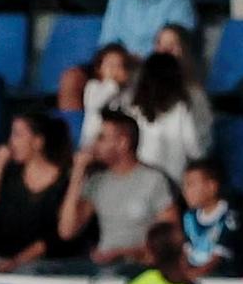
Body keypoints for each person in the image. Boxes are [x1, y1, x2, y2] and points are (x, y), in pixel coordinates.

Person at [57, 109, 178, 273]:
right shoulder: (97, 181)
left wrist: (125, 253)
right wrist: (78, 173)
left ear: (123, 143)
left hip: (142, 267)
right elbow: (67, 231)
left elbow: (170, 235)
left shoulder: (154, 180)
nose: (94, 144)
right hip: (103, 266)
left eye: (102, 138)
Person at [0, 112, 78, 273]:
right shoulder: (8, 174)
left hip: (45, 265)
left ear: (38, 142)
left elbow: (54, 237)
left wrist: (16, 262)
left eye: (17, 135)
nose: (11, 142)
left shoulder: (64, 181)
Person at [123, 51, 204, 184]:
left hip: (140, 182)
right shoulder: (183, 107)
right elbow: (195, 149)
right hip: (172, 182)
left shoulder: (133, 108)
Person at [179, 158, 239, 278]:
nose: (185, 191)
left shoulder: (229, 218)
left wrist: (194, 275)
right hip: (194, 277)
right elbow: (185, 252)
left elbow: (218, 259)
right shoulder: (189, 218)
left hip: (221, 280)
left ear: (212, 187)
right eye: (184, 185)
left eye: (191, 185)